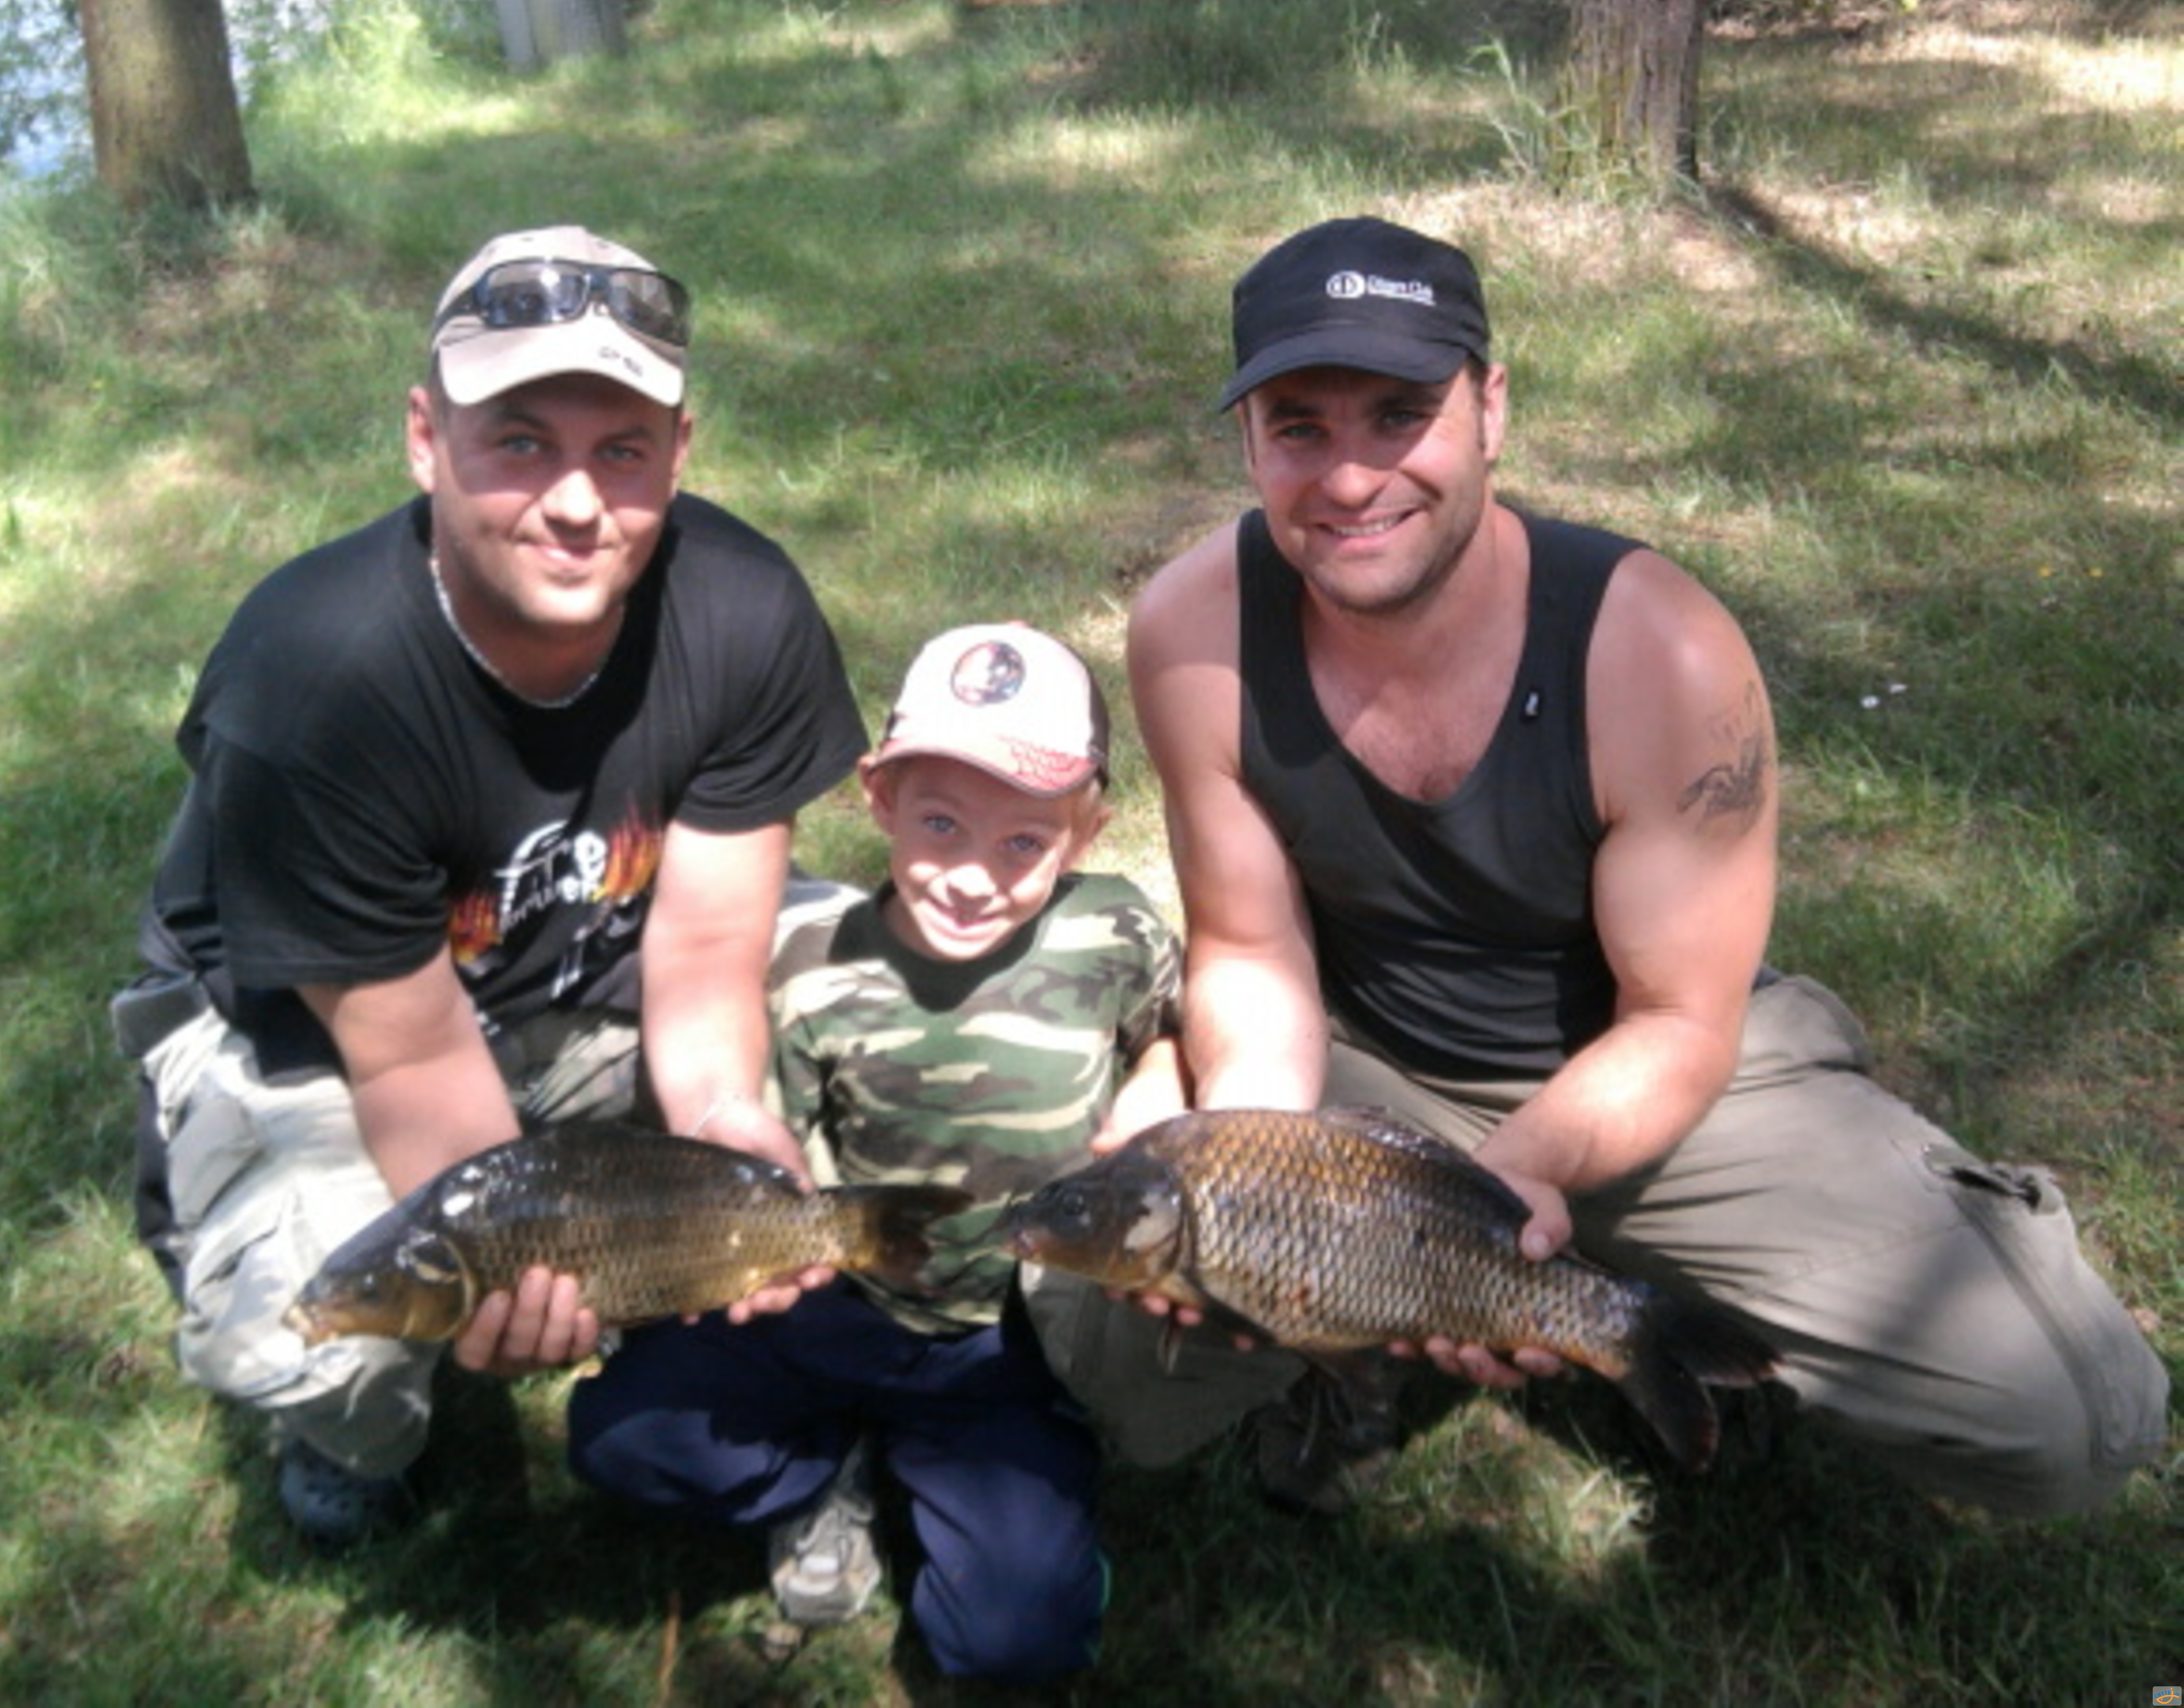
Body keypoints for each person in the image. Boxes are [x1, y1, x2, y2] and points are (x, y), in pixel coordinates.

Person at [1114, 215, 2168, 1517]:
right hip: (1372, 1062)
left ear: (1491, 410)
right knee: (1105, 1326)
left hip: (1658, 1060)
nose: (1348, 478)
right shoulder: (1195, 628)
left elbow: (1680, 1019)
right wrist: (1255, 1163)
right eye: (1299, 428)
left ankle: (1699, 1321)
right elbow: (1251, 951)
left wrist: (1504, 1192)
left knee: (2073, 1419)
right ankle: (1348, 1351)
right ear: (1248, 442)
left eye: (1400, 416)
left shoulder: (1657, 647)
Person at [110, 224, 870, 1547]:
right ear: (425, 438)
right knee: (312, 1328)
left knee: (914, 1016)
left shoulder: (745, 607)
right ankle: (355, 1427)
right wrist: (514, 1265)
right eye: (521, 441)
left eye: (621, 450)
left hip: (599, 964)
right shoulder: (311, 683)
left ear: (680, 451)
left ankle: (794, 1361)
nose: (575, 502)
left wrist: (724, 1117)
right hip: (316, 1030)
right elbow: (410, 1058)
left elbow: (706, 953)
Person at [567, 623, 1184, 1684]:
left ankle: (975, 1480)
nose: (972, 877)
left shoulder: (1116, 932)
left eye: (1023, 842)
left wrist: (1163, 1070)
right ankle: (819, 1475)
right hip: (833, 1306)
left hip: (1010, 1340)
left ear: (1087, 833)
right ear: (879, 798)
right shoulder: (811, 963)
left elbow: (1177, 1025)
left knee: (1014, 1647)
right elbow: (770, 1157)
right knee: (617, 1438)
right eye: (940, 824)